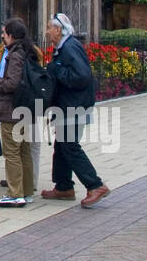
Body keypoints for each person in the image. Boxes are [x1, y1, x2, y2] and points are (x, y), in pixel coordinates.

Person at [41, 13, 111, 208]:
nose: (47, 32)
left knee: (69, 146)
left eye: (49, 28)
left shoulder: (69, 47)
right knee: (62, 145)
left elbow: (82, 76)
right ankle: (63, 186)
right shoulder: (63, 48)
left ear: (58, 29)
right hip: (67, 105)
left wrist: (56, 71)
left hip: (74, 106)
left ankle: (95, 185)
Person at [0, 19, 35, 207]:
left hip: (11, 109)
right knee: (24, 151)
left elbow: (12, 83)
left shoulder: (15, 54)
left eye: (4, 33)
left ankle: (15, 193)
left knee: (11, 152)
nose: (2, 36)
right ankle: (26, 191)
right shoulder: (28, 51)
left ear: (11, 35)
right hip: (25, 109)